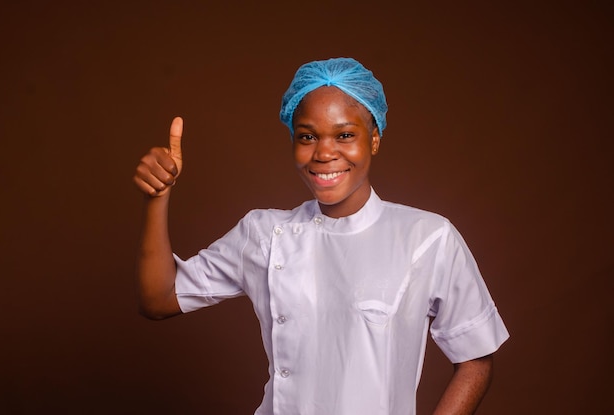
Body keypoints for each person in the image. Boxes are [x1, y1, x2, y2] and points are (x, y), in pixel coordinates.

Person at [133, 57, 509, 415]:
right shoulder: (264, 233)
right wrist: (158, 199)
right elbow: (160, 299)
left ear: (374, 139)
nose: (324, 152)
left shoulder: (426, 238)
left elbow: (475, 360)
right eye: (307, 136)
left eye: (345, 134)